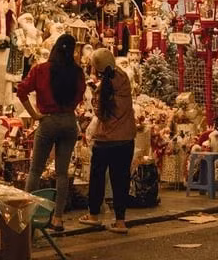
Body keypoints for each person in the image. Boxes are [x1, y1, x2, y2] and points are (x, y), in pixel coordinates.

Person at [17, 33, 85, 232]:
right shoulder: (77, 73)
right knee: (62, 173)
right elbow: (80, 95)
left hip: (47, 121)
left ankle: (25, 215)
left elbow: (21, 90)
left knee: (36, 170)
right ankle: (58, 218)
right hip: (69, 121)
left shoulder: (41, 70)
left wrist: (34, 115)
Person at [78, 48, 136, 234]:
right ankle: (120, 221)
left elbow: (100, 112)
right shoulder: (124, 79)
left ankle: (94, 215)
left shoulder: (103, 89)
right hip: (125, 139)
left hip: (104, 140)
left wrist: (95, 90)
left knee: (97, 178)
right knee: (121, 179)